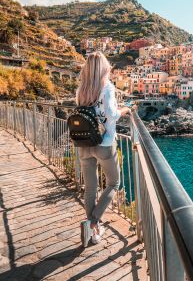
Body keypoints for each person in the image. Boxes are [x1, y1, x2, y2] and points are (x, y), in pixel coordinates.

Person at [75, 51, 131, 245]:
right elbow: (113, 115)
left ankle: (91, 228)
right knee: (114, 183)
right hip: (104, 142)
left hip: (83, 142)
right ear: (104, 68)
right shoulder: (107, 87)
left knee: (90, 187)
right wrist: (126, 109)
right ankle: (92, 222)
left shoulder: (81, 88)